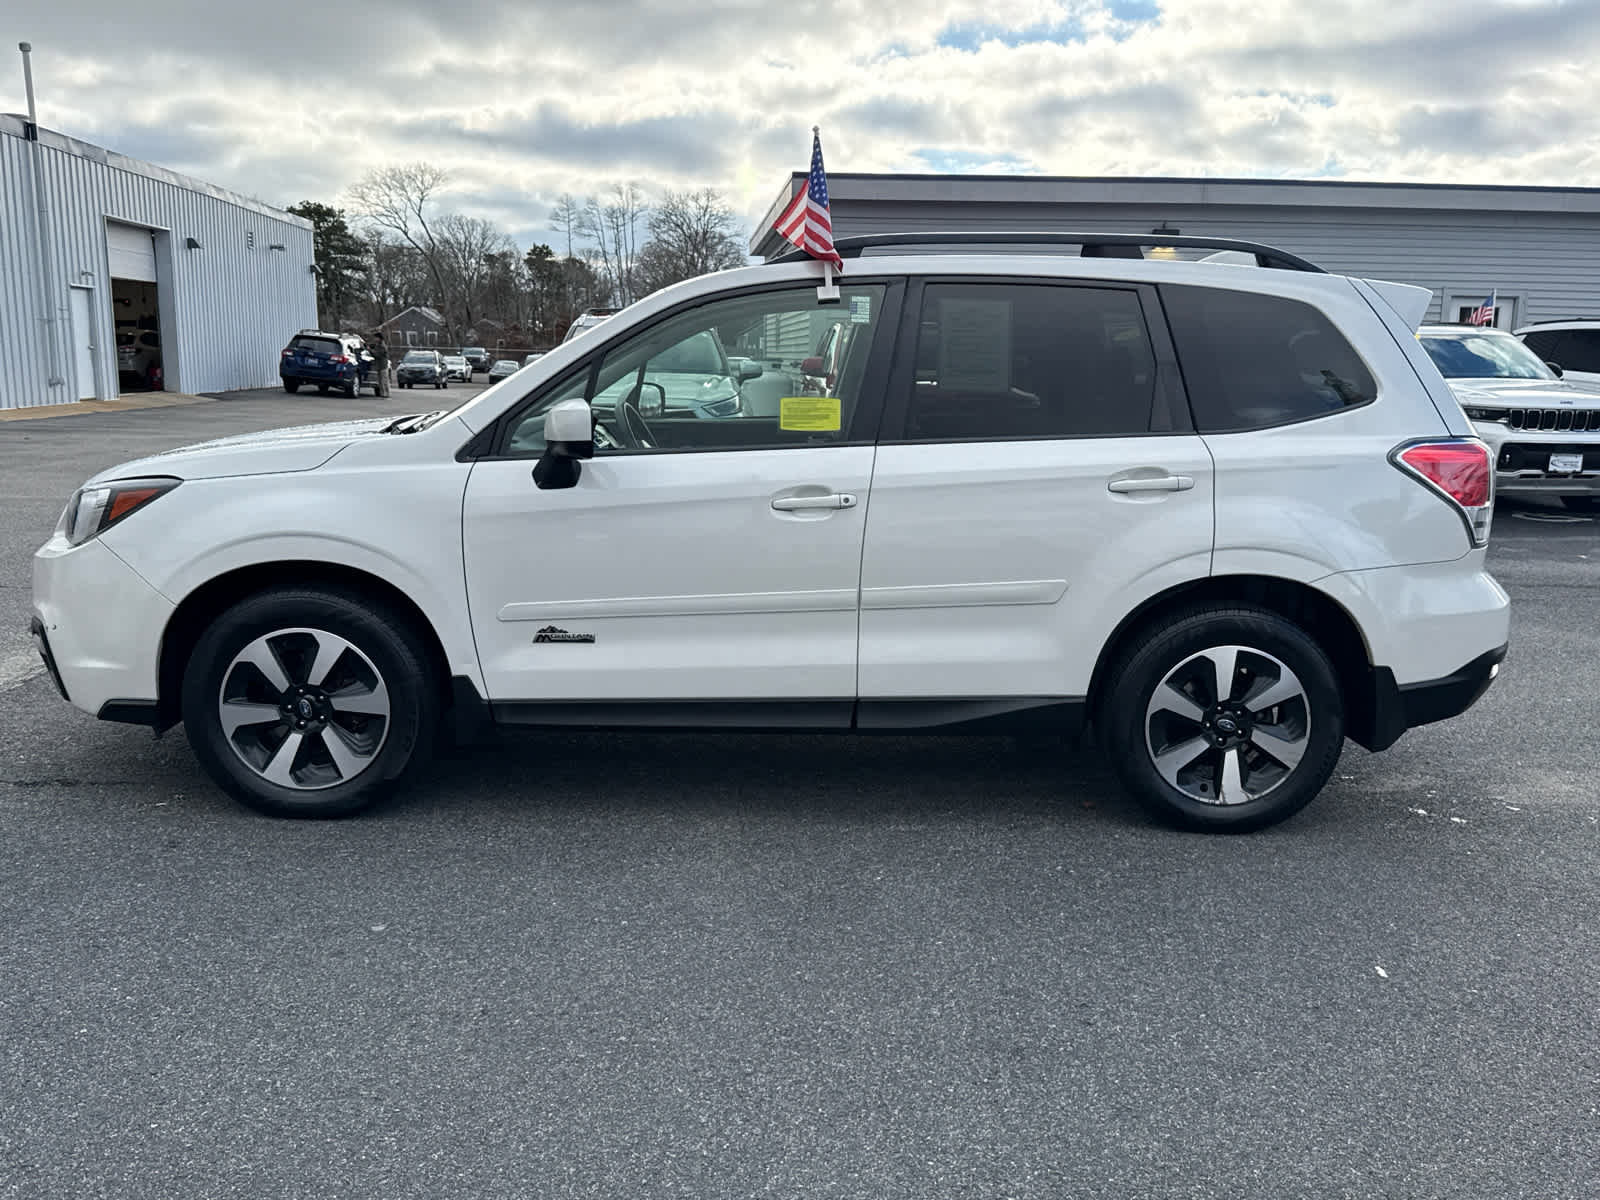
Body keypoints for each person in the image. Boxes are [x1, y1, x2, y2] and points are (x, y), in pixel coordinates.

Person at [369, 332, 390, 398]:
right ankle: (382, 393)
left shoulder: (382, 346)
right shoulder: (377, 345)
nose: (375, 339)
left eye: (376, 338)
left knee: (384, 380)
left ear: (379, 338)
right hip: (379, 365)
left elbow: (378, 354)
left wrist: (370, 350)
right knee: (380, 381)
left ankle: (386, 393)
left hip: (383, 365)